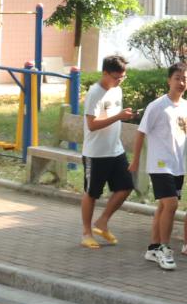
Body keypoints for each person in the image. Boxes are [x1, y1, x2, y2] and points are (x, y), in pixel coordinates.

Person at [130, 61, 187, 270]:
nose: (181, 83)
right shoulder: (157, 106)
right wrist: (136, 160)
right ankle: (164, 248)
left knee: (163, 207)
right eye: (177, 78)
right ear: (169, 80)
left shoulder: (185, 106)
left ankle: (153, 248)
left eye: (185, 79)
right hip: (160, 164)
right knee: (171, 205)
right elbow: (140, 133)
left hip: (177, 165)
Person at [80, 54, 135, 249]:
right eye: (116, 77)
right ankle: (86, 233)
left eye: (123, 77)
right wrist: (118, 116)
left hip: (115, 150)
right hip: (95, 153)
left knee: (126, 186)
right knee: (92, 193)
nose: (120, 80)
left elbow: (114, 116)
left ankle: (102, 222)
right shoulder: (95, 93)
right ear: (105, 73)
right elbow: (92, 124)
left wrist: (123, 116)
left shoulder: (117, 90)